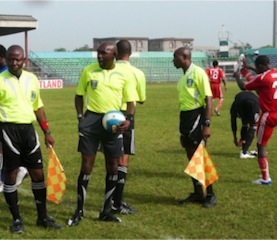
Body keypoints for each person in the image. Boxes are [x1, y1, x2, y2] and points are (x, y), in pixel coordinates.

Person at [68, 41, 137, 226]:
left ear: (114, 54)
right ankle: (79, 211)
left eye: (103, 53)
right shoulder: (88, 71)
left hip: (113, 124)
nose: (99, 56)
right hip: (91, 122)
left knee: (113, 167)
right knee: (86, 166)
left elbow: (131, 101)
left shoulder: (124, 75)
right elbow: (79, 95)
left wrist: (128, 119)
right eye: (98, 53)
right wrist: (81, 116)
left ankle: (105, 211)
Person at [0, 45, 63, 234]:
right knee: (11, 174)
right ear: (7, 59)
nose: (14, 62)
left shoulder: (32, 79)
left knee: (38, 174)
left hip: (29, 131)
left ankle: (42, 217)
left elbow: (38, 107)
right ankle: (17, 219)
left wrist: (47, 132)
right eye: (11, 59)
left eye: (18, 59)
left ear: (24, 60)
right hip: (7, 130)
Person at [173, 47, 216, 208]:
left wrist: (207, 124)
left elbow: (209, 99)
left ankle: (211, 194)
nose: (173, 60)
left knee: (201, 156)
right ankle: (198, 193)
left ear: (185, 57)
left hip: (197, 117)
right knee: (191, 156)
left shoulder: (198, 73)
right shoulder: (183, 77)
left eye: (175, 57)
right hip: (185, 118)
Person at [110, 40, 146, 215]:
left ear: (115, 53)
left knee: (111, 160)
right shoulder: (137, 73)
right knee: (123, 160)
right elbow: (141, 98)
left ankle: (112, 199)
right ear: (130, 53)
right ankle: (117, 202)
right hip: (126, 117)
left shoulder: (109, 70)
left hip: (108, 116)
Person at [234, 55, 277, 185]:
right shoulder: (275, 72)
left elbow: (244, 86)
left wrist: (237, 76)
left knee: (261, 145)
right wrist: (248, 68)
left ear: (260, 66)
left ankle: (265, 178)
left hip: (268, 115)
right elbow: (260, 74)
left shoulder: (262, 78)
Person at [0, 45, 29, 193]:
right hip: (12, 121)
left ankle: (4, 178)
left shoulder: (7, 74)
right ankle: (20, 169)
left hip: (8, 121)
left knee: (4, 151)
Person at [230, 91, 260, 159]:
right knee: (253, 125)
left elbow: (233, 122)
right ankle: (244, 152)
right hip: (253, 102)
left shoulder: (234, 107)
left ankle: (244, 148)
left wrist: (235, 138)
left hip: (240, 102)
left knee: (245, 123)